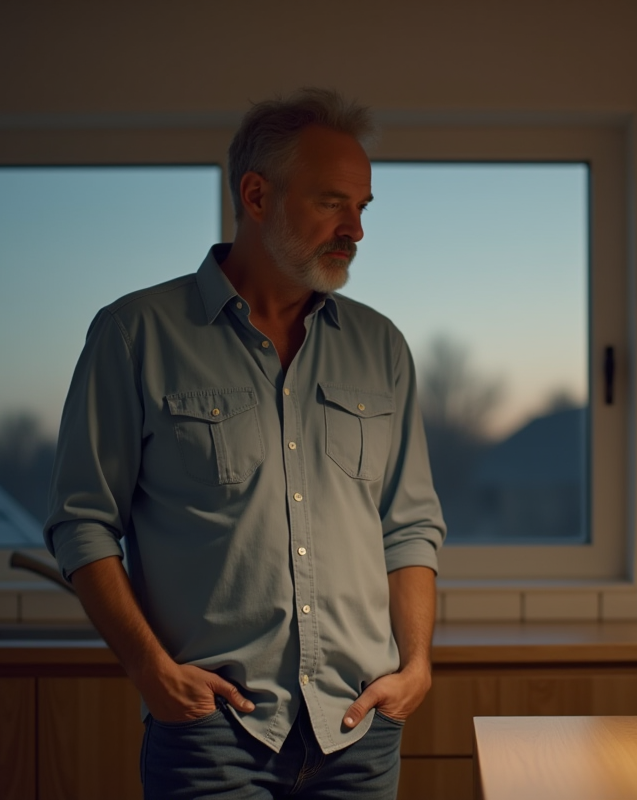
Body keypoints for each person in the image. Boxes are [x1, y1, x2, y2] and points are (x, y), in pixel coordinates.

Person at [43, 87, 446, 799]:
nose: (355, 229)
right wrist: (148, 669)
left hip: (359, 728)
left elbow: (408, 526)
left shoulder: (381, 346)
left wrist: (415, 665)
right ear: (257, 195)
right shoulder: (135, 334)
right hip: (212, 734)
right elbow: (83, 522)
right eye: (332, 203)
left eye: (362, 207)